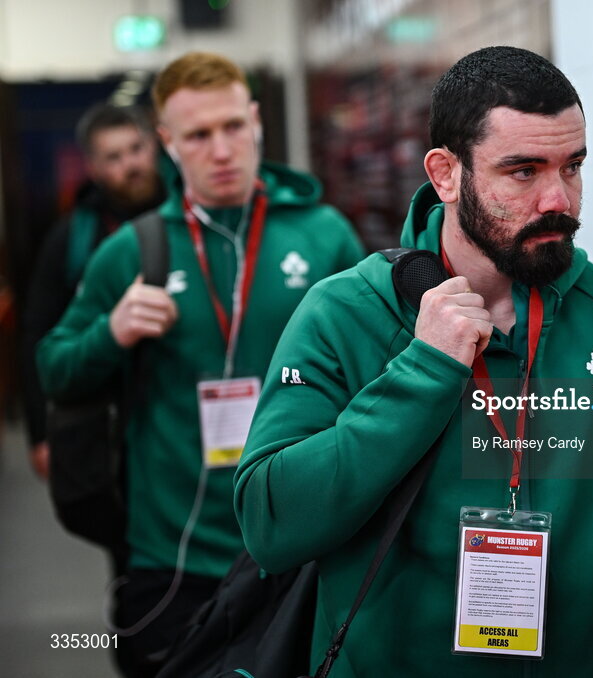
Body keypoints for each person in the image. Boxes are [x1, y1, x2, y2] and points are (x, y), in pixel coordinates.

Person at [235, 46, 593, 676]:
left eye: (571, 167)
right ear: (446, 174)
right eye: (523, 172)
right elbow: (269, 522)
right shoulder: (346, 312)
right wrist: (423, 373)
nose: (559, 199)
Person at [37, 51, 365, 678]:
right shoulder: (133, 251)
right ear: (167, 142)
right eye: (198, 135)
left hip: (300, 546)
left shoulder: (325, 237)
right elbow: (55, 368)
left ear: (256, 121)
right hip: (174, 555)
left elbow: (371, 375)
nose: (221, 150)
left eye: (232, 127)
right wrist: (110, 333)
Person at [20, 103, 168, 480]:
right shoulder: (72, 238)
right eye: (114, 157)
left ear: (154, 146)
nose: (131, 164)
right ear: (93, 168)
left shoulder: (190, 220)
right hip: (107, 419)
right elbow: (38, 335)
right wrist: (40, 433)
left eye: (136, 149)